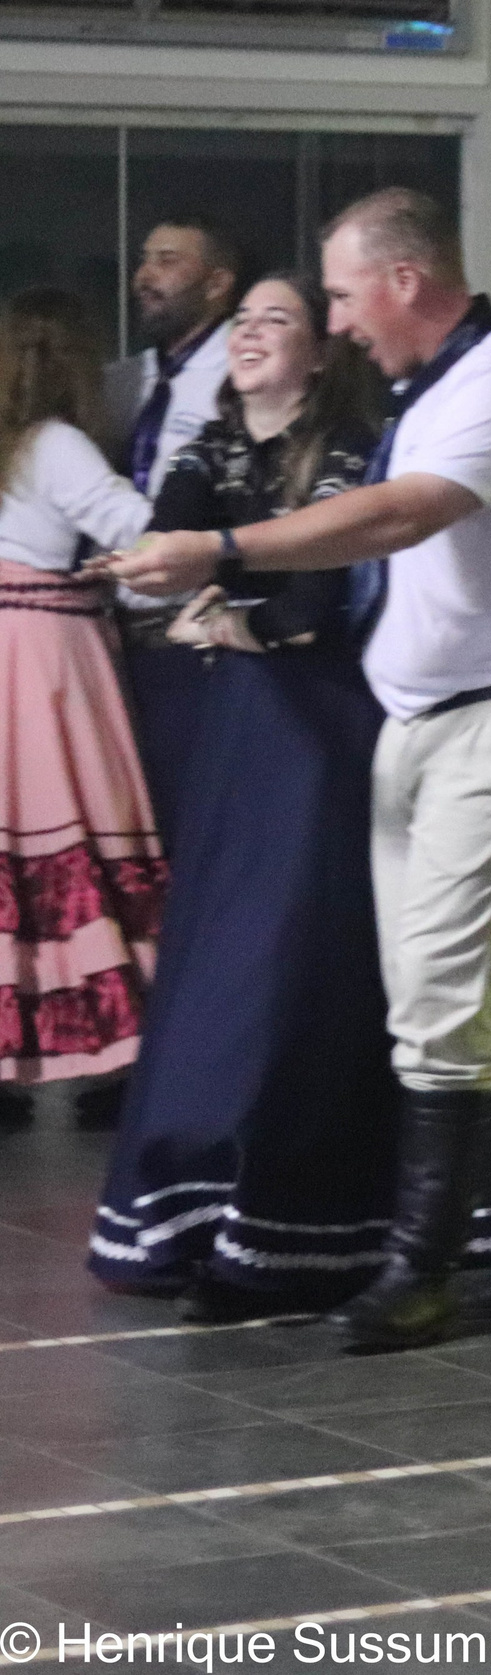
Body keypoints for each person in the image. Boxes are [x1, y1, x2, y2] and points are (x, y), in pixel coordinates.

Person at [102, 186, 491, 1352]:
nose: (335, 322)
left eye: (338, 295)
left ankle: (418, 1269)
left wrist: (219, 548)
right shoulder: (427, 386)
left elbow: (401, 517)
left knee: (439, 1005)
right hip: (432, 718)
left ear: (402, 280)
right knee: (451, 1000)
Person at [85, 272, 400, 1320]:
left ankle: (300, 1217)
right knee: (220, 954)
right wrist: (200, 591)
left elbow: (315, 602)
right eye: (244, 322)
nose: (251, 336)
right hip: (237, 732)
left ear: (319, 350)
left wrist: (227, 607)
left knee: (301, 955)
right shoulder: (210, 449)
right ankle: (202, 1201)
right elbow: (155, 566)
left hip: (323, 727)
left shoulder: (352, 452)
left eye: (278, 321)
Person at [0, 289, 164, 1124]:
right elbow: (138, 527)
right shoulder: (55, 444)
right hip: (43, 654)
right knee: (83, 835)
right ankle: (117, 1055)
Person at [108, 215, 248, 836]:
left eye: (168, 259)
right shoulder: (124, 381)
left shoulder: (238, 375)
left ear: (218, 281)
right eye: (144, 259)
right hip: (118, 634)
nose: (145, 276)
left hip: (200, 634)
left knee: (197, 819)